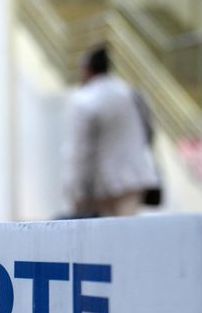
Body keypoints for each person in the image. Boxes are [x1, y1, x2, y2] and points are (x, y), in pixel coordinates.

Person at [62, 45, 159, 217]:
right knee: (128, 234)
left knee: (105, 239)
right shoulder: (129, 93)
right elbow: (149, 132)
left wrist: (75, 190)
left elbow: (80, 150)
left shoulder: (83, 100)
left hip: (103, 186)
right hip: (134, 180)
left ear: (87, 70)